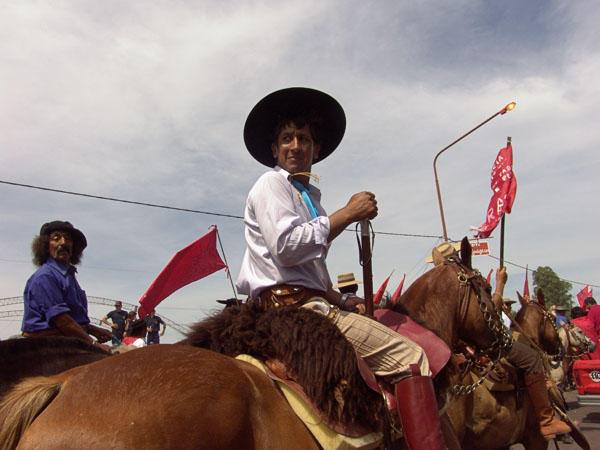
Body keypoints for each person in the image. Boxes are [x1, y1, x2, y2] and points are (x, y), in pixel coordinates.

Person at [235, 87, 445, 449]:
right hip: (292, 310)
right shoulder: (272, 184)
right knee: (411, 358)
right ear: (275, 150)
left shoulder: (308, 197)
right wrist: (347, 214)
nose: (296, 145)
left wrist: (341, 299)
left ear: (316, 149)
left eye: (304, 138)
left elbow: (307, 267)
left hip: (312, 301)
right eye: (287, 138)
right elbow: (286, 249)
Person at [494, 268, 572, 439]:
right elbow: (490, 311)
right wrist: (499, 284)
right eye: (507, 305)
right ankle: (546, 420)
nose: (508, 307)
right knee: (532, 358)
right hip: (489, 343)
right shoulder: (460, 278)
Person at [22, 220, 112, 352]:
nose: (63, 243)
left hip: (67, 342)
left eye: (68, 239)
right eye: (56, 239)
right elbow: (62, 321)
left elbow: (72, 319)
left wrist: (92, 329)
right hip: (47, 348)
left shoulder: (69, 276)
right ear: (46, 246)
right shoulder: (45, 276)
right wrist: (94, 345)